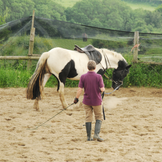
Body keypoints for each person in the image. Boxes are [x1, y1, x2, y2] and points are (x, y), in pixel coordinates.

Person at [74, 60, 105, 142]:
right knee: (99, 117)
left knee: (88, 117)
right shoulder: (98, 76)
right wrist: (101, 90)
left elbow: (79, 89)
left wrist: (76, 98)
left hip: (86, 101)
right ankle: (96, 135)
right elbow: (102, 89)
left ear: (87, 68)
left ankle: (88, 137)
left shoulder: (83, 77)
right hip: (96, 101)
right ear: (95, 68)